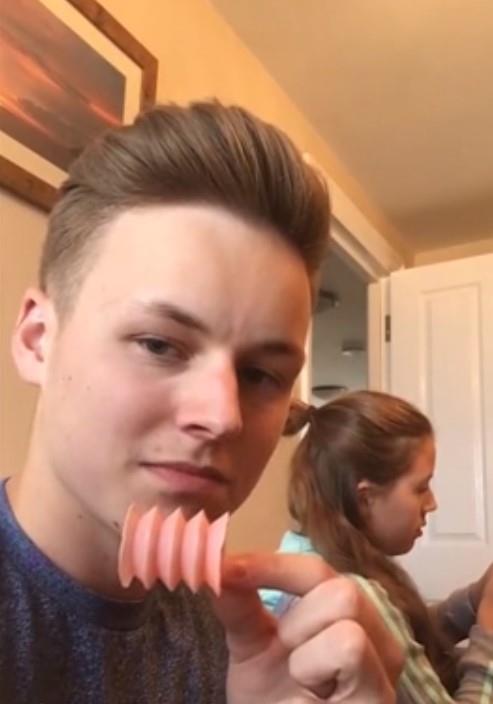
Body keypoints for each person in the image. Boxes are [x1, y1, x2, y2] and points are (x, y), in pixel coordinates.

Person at [0, 101, 403, 703]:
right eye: (159, 345)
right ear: (38, 340)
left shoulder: (238, 638)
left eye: (261, 375)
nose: (223, 417)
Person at [261, 391, 493, 702]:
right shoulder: (350, 592)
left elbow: (402, 637)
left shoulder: (304, 555)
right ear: (366, 497)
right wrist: (488, 635)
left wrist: (475, 599)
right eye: (421, 487)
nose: (432, 503)